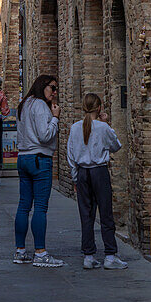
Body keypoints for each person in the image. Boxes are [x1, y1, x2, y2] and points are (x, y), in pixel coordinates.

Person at [67, 94, 127, 270]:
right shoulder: (102, 127)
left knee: (86, 215)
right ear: (99, 108)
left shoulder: (75, 128)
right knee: (106, 213)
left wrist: (75, 177)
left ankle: (88, 255)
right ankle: (110, 255)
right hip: (99, 171)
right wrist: (107, 123)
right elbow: (116, 145)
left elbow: (71, 156)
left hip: (83, 172)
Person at [14, 75, 63, 267]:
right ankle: (40, 253)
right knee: (40, 207)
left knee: (23, 206)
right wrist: (56, 119)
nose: (55, 92)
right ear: (43, 86)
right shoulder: (41, 106)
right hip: (39, 159)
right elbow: (45, 135)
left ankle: (20, 250)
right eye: (53, 87)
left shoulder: (24, 104)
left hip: (24, 157)